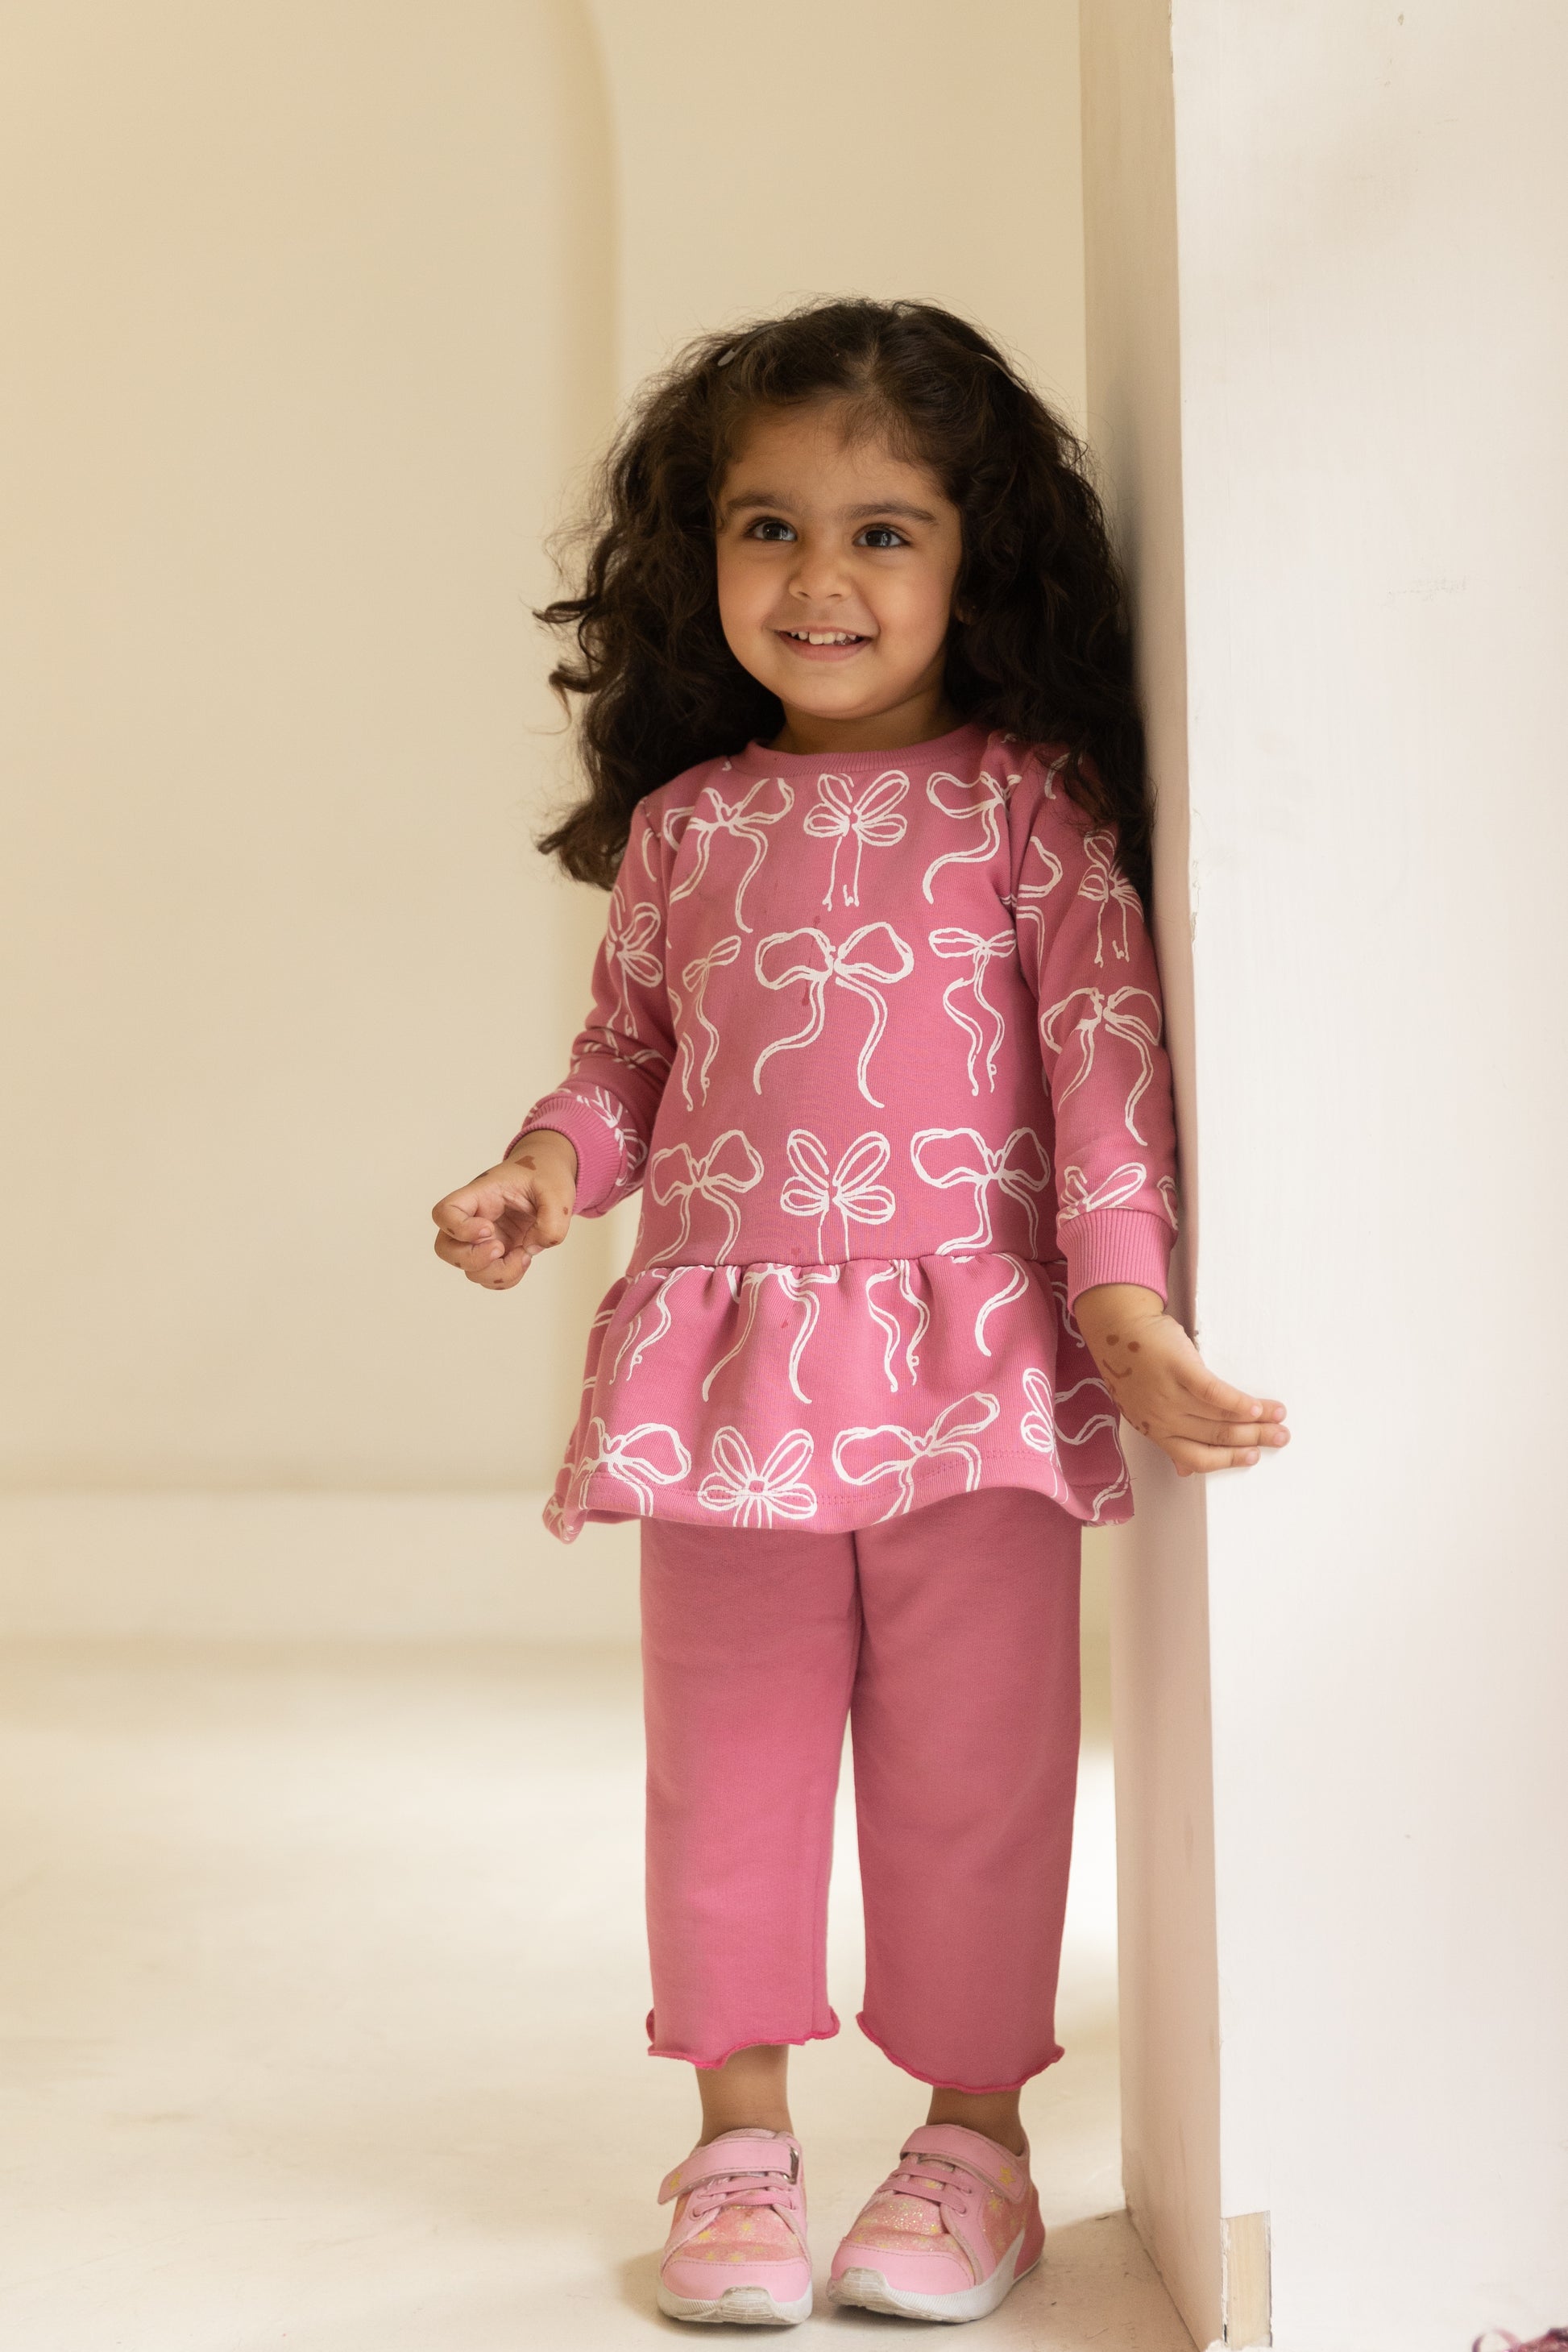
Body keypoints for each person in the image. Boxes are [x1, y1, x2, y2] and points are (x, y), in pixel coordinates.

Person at [430, 297, 1290, 2328]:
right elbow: (622, 1062)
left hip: (970, 1369)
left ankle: (970, 2136)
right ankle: (735, 2137)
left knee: (972, 1760)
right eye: (767, 527)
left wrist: (1122, 1309)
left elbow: (1102, 1066)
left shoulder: (1026, 805)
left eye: (884, 529)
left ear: (977, 553)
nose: (819, 579)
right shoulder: (684, 829)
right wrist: (541, 1175)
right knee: (719, 1753)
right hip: (722, 1367)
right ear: (693, 556)